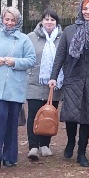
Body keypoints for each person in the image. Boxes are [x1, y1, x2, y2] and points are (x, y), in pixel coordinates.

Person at [49, 0, 89, 167]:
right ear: (80, 10)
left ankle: (82, 152)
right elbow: (60, 56)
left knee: (87, 117)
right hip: (72, 78)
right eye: (85, 9)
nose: (88, 12)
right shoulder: (69, 31)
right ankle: (71, 141)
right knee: (71, 115)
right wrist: (53, 77)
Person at [0, 6, 36, 171]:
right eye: (7, 19)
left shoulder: (24, 39)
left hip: (15, 88)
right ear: (2, 19)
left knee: (11, 123)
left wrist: (16, 62)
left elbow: (31, 60)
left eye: (12, 20)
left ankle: (10, 157)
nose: (9, 23)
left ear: (17, 21)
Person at [25, 9, 63, 160]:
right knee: (34, 113)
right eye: (46, 19)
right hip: (35, 81)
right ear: (41, 21)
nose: (49, 22)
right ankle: (33, 146)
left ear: (56, 22)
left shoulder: (62, 38)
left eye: (52, 19)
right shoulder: (31, 37)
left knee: (49, 114)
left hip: (55, 84)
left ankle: (45, 144)